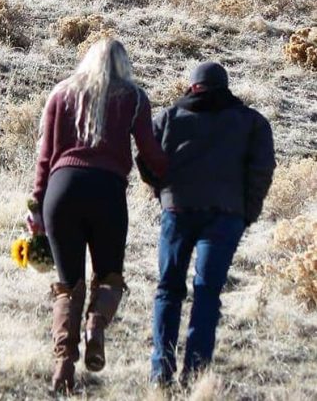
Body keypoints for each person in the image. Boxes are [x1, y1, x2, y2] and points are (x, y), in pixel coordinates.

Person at [28, 38, 168, 393]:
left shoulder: (61, 93)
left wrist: (36, 207)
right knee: (109, 278)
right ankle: (96, 327)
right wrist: (177, 177)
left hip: (62, 190)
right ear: (124, 65)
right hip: (107, 193)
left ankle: (63, 369)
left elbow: (45, 158)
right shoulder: (134, 98)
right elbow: (151, 152)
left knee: (67, 284)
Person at [140, 62, 275, 387]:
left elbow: (146, 160)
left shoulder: (170, 118)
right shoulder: (251, 122)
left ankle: (161, 373)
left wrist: (164, 193)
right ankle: (195, 374)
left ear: (192, 85)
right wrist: (247, 213)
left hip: (178, 211)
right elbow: (262, 169)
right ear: (225, 87)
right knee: (207, 293)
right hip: (226, 217)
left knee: (168, 290)